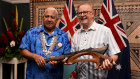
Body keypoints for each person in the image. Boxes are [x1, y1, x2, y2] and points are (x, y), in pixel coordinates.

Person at [70, 3, 121, 79]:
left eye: (85, 12)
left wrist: (109, 62)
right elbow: (73, 57)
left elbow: (114, 54)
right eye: (80, 13)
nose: (82, 15)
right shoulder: (76, 34)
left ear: (92, 14)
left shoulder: (105, 31)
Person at [19, 7, 71, 79]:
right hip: (34, 76)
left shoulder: (63, 35)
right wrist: (35, 56)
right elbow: (22, 51)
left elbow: (67, 56)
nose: (49, 19)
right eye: (47, 16)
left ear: (57, 20)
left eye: (52, 17)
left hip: (55, 76)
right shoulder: (31, 32)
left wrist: (58, 60)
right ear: (43, 18)